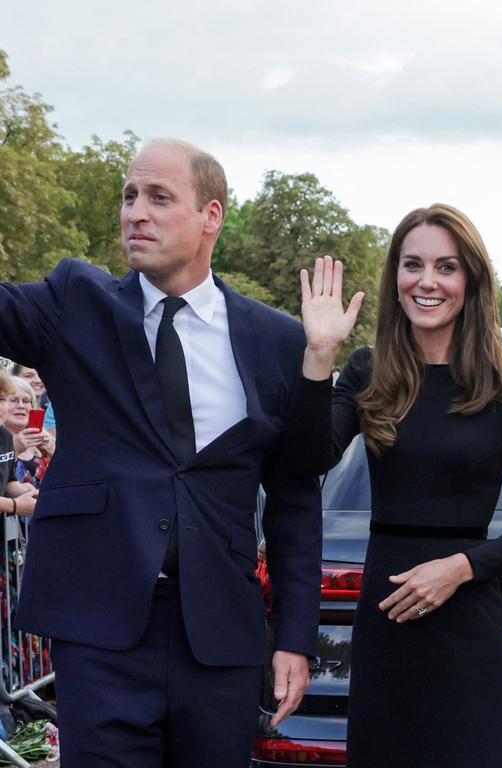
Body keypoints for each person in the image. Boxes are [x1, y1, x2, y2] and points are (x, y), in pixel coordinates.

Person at [0, 138, 323, 767]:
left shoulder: (278, 341)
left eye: (158, 197)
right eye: (128, 196)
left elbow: (294, 500)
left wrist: (294, 638)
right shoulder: (75, 303)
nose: (134, 213)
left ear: (211, 216)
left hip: (221, 632)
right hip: (100, 628)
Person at [297, 203, 502, 766]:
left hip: (469, 616)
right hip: (387, 615)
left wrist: (459, 568)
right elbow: (306, 459)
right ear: (395, 276)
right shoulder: (371, 370)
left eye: (446, 267)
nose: (428, 281)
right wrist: (321, 354)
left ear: (470, 280)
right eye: (413, 264)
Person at [5, 376, 54, 488]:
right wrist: (14, 450)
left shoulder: (45, 441)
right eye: (13, 400)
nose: (21, 406)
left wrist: (54, 453)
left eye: (26, 401)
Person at [0, 371, 37, 516]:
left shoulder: (5, 435)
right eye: (14, 400)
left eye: (2, 399)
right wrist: (14, 505)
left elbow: (8, 482)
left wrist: (29, 492)